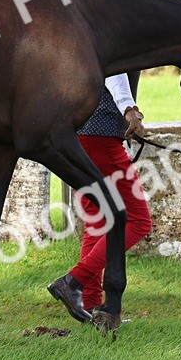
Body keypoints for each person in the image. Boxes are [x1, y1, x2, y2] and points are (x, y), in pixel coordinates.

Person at [47, 72, 154, 323]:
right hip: (100, 141)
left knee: (96, 224)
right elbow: (114, 73)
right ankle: (72, 281)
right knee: (138, 220)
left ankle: (94, 307)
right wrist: (130, 110)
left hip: (78, 137)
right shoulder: (113, 32)